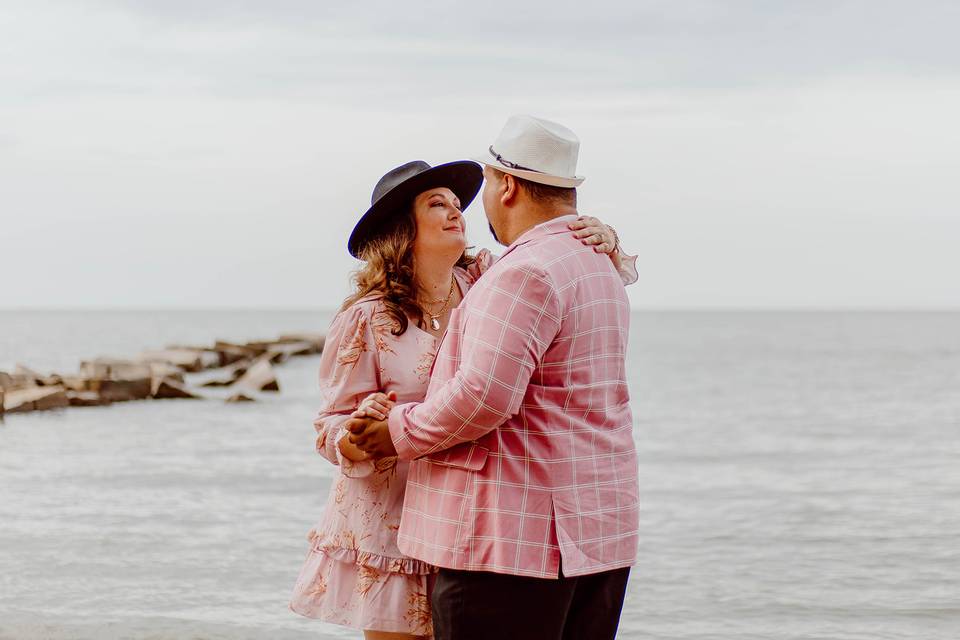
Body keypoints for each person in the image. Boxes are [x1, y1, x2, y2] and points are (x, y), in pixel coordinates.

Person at [289, 154, 637, 639]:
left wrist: (603, 235)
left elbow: (554, 264)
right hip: (389, 526)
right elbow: (331, 424)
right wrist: (357, 434)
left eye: (458, 203)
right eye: (437, 204)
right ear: (401, 229)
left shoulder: (487, 279)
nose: (457, 212)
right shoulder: (365, 319)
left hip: (472, 518)